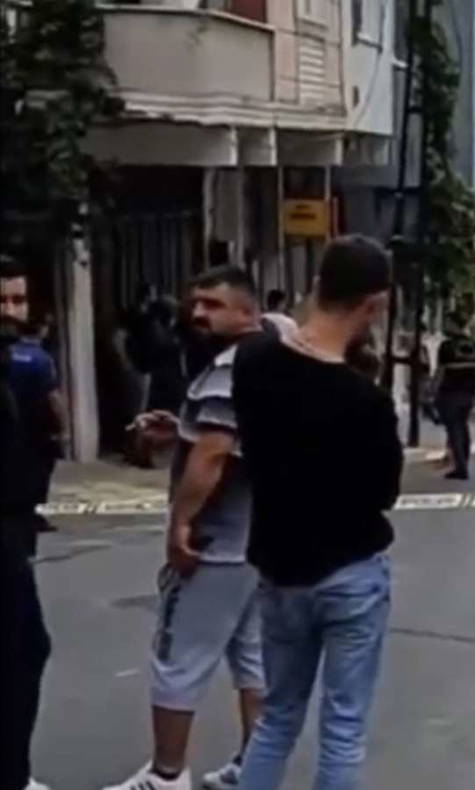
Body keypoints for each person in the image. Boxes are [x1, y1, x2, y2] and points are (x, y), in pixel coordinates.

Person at [231, 235, 402, 790]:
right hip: (349, 569)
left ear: (317, 285)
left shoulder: (254, 363)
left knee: (276, 718)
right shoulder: (366, 401)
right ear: (374, 305)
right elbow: (385, 492)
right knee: (343, 727)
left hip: (279, 567)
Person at [102, 267, 268, 790]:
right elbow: (232, 440)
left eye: (213, 305)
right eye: (195, 303)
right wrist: (183, 431)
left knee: (177, 658)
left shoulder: (229, 368)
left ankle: (167, 776)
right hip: (258, 541)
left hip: (216, 543)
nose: (197, 314)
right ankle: (256, 769)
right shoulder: (271, 360)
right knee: (254, 658)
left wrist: (181, 524)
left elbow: (214, 454)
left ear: (247, 311)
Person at [1, 256, 55, 790]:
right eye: (1, 301)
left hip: (15, 520)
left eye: (18, 300)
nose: (12, 312)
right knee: (23, 648)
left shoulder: (20, 363)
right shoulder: (26, 365)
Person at [4, 291, 67, 539]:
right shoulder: (41, 359)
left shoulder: (8, 354)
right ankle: (30, 513)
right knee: (36, 474)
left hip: (12, 428)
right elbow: (54, 399)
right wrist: (63, 429)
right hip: (36, 431)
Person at [434, 312, 475, 481]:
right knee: (463, 426)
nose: (445, 326)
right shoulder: (474, 344)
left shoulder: (447, 346)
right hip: (468, 391)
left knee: (454, 429)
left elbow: (441, 370)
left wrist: (432, 389)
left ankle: (460, 466)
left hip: (450, 390)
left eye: (448, 323)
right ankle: (464, 461)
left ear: (454, 324)